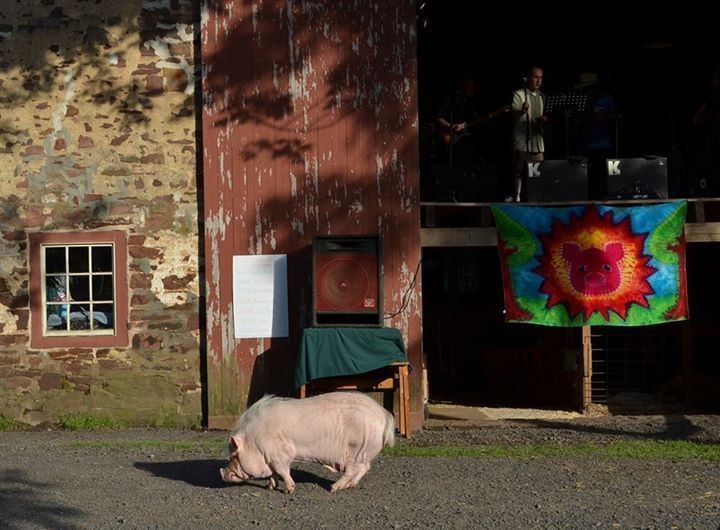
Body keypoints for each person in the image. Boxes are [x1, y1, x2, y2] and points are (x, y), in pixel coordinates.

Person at [574, 72, 618, 199]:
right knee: (586, 178)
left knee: (602, 177)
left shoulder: (606, 98)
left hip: (602, 144)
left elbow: (612, 119)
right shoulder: (582, 100)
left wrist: (600, 116)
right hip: (585, 145)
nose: (586, 90)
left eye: (588, 87)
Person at [509, 66, 547, 202]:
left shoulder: (542, 96)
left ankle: (537, 198)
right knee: (519, 171)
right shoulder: (519, 94)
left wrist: (543, 120)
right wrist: (521, 111)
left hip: (537, 141)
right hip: (523, 140)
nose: (538, 81)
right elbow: (513, 114)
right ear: (529, 78)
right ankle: (517, 197)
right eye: (536, 77)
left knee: (538, 171)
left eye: (541, 78)